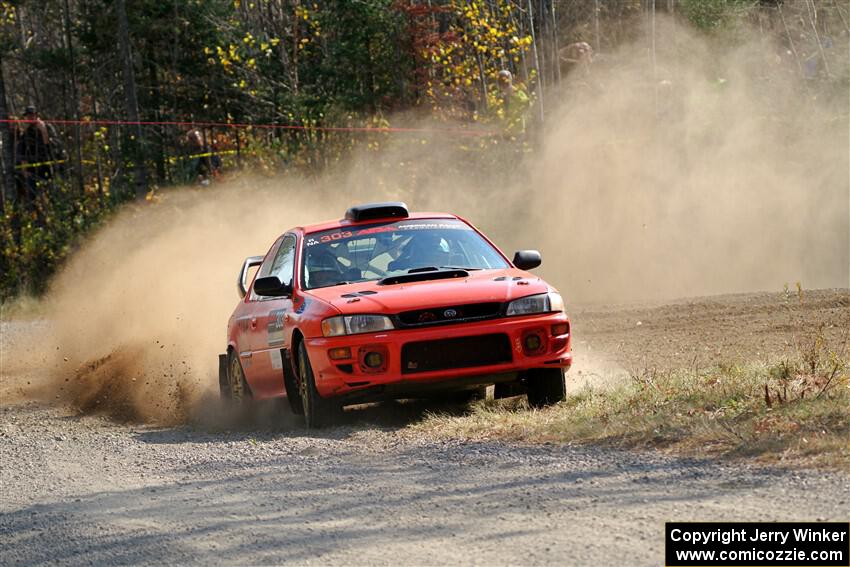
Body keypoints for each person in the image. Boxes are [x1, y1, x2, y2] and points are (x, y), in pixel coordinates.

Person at [14, 106, 61, 211]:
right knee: (32, 196)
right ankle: (36, 217)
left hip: (49, 166)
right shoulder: (27, 133)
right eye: (27, 116)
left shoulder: (48, 127)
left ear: (36, 115)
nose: (29, 118)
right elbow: (21, 151)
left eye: (31, 115)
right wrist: (24, 169)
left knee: (54, 194)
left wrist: (43, 131)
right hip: (33, 170)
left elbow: (53, 147)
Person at [497, 70, 530, 137]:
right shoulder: (498, 95)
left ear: (509, 80)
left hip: (517, 130)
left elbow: (526, 103)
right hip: (504, 131)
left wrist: (512, 95)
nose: (503, 83)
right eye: (500, 80)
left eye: (504, 80)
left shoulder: (516, 91)